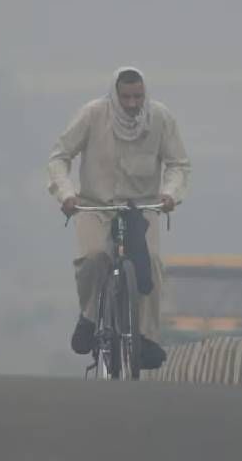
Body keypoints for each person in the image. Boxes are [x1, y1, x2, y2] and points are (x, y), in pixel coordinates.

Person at [47, 67, 190, 369]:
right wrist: (66, 194)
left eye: (138, 96)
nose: (132, 103)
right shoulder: (92, 115)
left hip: (141, 209)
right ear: (115, 94)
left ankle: (147, 337)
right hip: (94, 207)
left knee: (149, 261)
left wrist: (170, 193)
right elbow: (60, 157)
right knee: (95, 256)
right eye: (125, 97)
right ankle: (88, 316)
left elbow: (178, 163)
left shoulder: (160, 119)